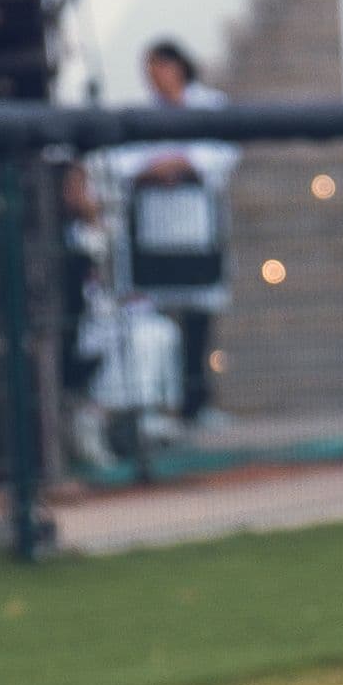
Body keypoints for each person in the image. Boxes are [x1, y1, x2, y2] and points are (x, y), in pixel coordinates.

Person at [103, 40, 239, 433]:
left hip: (196, 227)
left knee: (198, 318)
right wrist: (153, 169)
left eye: (160, 68)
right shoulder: (142, 113)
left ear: (178, 66)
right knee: (159, 323)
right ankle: (161, 407)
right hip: (154, 231)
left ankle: (196, 403)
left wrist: (182, 162)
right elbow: (120, 162)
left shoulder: (209, 106)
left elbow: (222, 154)